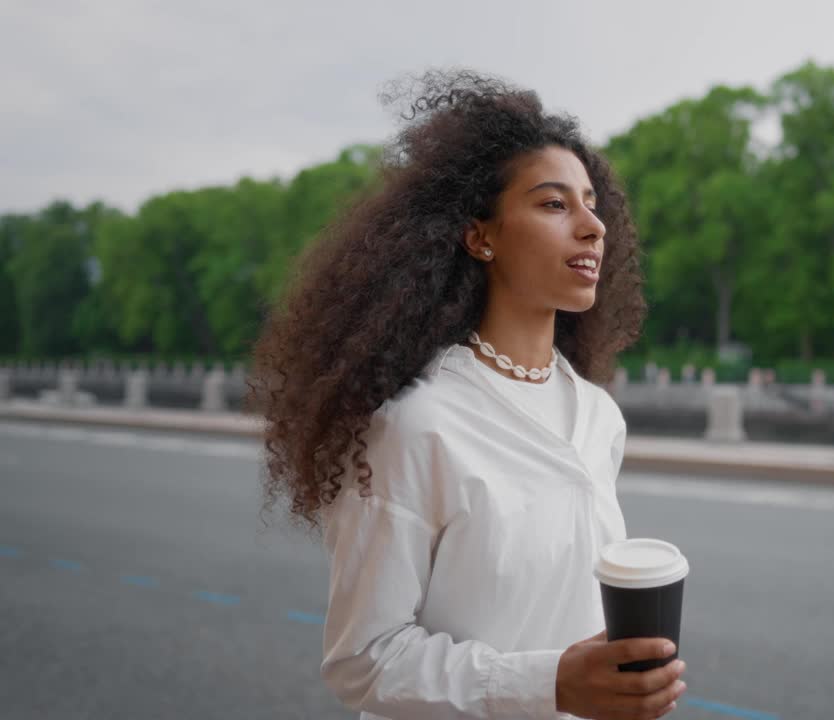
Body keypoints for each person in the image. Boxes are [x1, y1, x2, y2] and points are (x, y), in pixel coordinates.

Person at [248, 71, 686, 720]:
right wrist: (552, 685)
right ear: (480, 236)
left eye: (592, 203)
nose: (594, 227)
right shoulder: (412, 426)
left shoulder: (599, 417)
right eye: (554, 204)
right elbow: (363, 659)